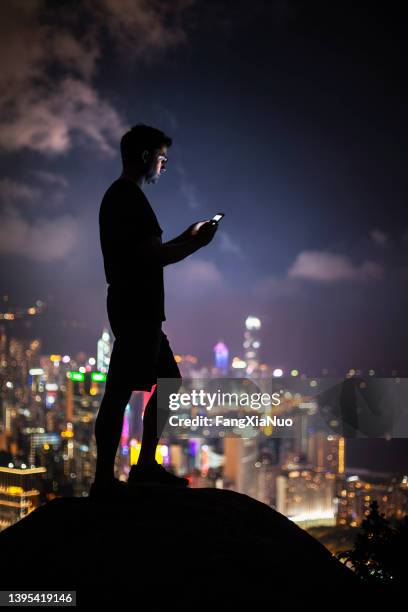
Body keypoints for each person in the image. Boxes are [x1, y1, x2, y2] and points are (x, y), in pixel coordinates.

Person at [90, 124, 218, 496]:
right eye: (162, 158)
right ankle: (105, 479)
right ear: (145, 157)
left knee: (166, 381)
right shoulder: (127, 198)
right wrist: (197, 245)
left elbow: (152, 252)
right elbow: (154, 257)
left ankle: (142, 465)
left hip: (136, 307)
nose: (164, 166)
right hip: (136, 309)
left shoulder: (122, 197)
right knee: (118, 393)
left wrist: (187, 236)